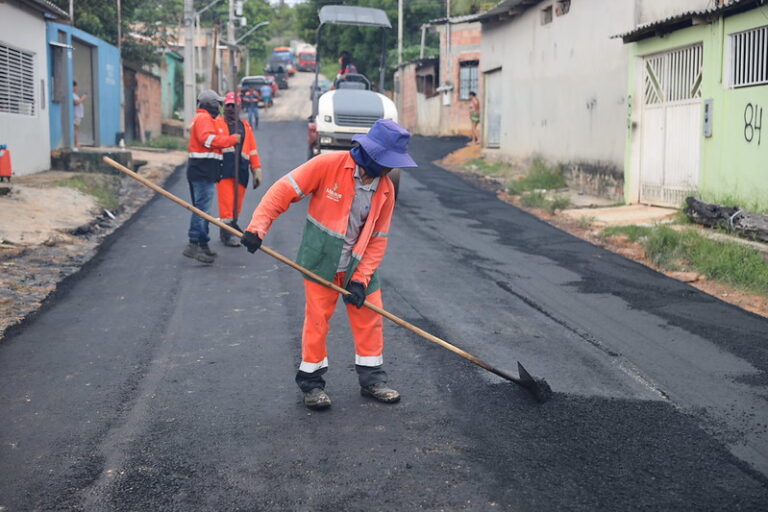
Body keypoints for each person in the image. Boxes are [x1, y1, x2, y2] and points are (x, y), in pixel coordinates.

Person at [240, 119, 418, 411]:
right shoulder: (328, 165)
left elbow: (378, 239)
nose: (391, 169)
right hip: (321, 259)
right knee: (318, 321)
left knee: (370, 316)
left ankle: (372, 379)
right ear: (372, 154)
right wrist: (257, 228)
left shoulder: (385, 189)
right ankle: (311, 384)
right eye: (388, 162)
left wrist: (360, 279)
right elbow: (283, 191)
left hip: (358, 264)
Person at [183, 89, 241, 264]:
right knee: (202, 210)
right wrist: (231, 140)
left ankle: (203, 244)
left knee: (204, 210)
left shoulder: (206, 119)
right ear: (210, 104)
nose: (220, 106)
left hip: (204, 171)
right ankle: (194, 244)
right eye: (218, 103)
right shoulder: (203, 118)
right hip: (202, 171)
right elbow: (207, 140)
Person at [215, 92, 262, 247]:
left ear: (240, 107)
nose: (231, 108)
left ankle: (231, 226)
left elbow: (252, 150)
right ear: (224, 107)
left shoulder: (245, 127)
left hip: (241, 171)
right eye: (228, 105)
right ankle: (226, 234)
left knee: (237, 206)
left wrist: (256, 170)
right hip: (224, 170)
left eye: (234, 105)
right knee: (227, 205)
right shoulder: (217, 124)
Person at [72, 81, 88, 150]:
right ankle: (76, 143)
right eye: (75, 87)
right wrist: (83, 98)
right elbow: (77, 102)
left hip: (78, 115)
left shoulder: (75, 95)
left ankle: (76, 143)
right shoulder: (72, 95)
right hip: (75, 114)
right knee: (76, 129)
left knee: (77, 129)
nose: (76, 88)